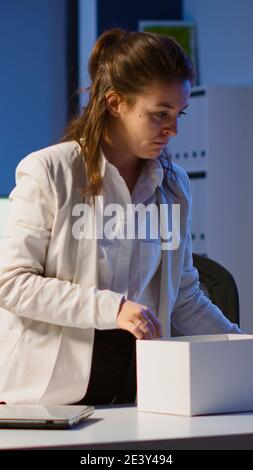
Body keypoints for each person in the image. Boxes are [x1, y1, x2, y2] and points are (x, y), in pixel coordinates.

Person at [0, 28, 242, 406]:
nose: (173, 129)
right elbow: (11, 283)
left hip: (138, 391)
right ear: (115, 103)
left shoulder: (174, 186)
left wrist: (241, 347)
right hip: (50, 395)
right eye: (159, 114)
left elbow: (183, 297)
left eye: (179, 113)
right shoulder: (50, 171)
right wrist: (112, 308)